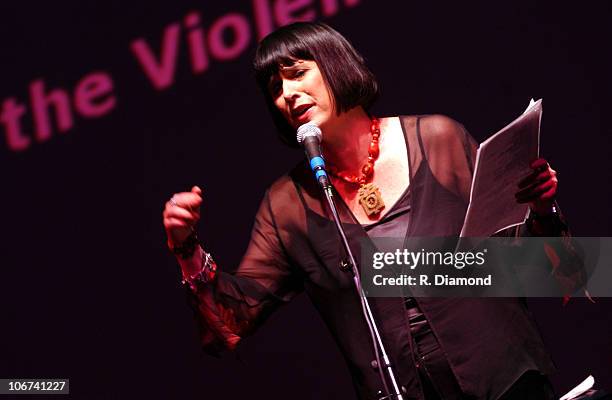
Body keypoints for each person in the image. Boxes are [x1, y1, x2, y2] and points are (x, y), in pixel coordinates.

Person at [162, 22, 572, 400]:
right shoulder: (287, 203)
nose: (286, 94)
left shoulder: (437, 139)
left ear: (335, 64)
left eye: (296, 72)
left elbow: (543, 272)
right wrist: (186, 249)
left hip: (508, 383)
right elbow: (229, 328)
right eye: (274, 87)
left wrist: (541, 207)